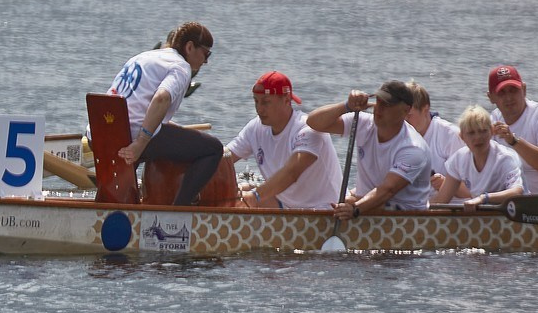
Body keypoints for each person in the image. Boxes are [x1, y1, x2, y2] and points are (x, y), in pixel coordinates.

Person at [107, 22, 222, 204]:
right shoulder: (181, 67)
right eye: (206, 54)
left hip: (103, 131)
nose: (206, 61)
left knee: (167, 138)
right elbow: (161, 98)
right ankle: (178, 213)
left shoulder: (144, 56)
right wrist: (140, 143)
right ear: (190, 47)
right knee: (214, 149)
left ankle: (118, 203)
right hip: (132, 134)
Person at [305, 80, 434, 216]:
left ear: (406, 110)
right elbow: (314, 122)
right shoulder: (362, 123)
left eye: (387, 104)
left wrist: (354, 209)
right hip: (367, 209)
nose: (379, 108)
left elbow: (387, 190)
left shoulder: (413, 148)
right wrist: (347, 106)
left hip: (404, 219)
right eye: (378, 101)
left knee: (350, 203)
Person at [228, 70, 341, 210]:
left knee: (248, 198)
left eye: (265, 102)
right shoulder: (255, 128)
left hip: (323, 210)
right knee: (227, 197)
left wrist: (255, 196)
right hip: (285, 206)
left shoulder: (307, 129)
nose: (259, 109)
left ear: (287, 100)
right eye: (256, 101)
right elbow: (225, 157)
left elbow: (292, 173)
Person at [486, 65, 538, 196]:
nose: (509, 98)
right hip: (512, 204)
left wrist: (513, 141)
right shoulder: (492, 120)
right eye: (502, 92)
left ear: (524, 89)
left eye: (513, 90)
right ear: (491, 97)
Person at [432, 106, 524, 207]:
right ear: (462, 136)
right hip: (482, 214)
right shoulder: (459, 159)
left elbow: (517, 191)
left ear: (491, 131)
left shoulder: (505, 158)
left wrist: (483, 198)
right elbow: (441, 200)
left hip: (515, 213)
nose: (478, 137)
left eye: (483, 131)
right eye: (471, 133)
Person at [405, 82, 462, 182]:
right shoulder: (399, 135)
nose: (404, 121)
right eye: (401, 115)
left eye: (409, 115)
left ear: (425, 110)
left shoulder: (450, 135)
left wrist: (444, 184)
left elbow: (469, 188)